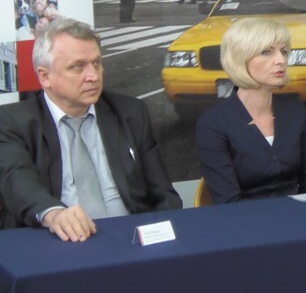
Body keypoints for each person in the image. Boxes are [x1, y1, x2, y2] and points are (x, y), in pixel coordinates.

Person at [0, 18, 182, 241]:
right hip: (59, 241)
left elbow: (163, 194)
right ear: (45, 76)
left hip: (131, 239)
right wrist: (54, 214)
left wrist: (162, 242)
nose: (93, 76)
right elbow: (17, 183)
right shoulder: (13, 122)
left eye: (96, 63)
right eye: (78, 67)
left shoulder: (130, 113)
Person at [196, 17, 306, 204]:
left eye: (284, 51)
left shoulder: (295, 111)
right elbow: (229, 202)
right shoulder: (213, 124)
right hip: (244, 220)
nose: (281, 60)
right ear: (240, 59)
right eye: (266, 52)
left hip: (298, 216)